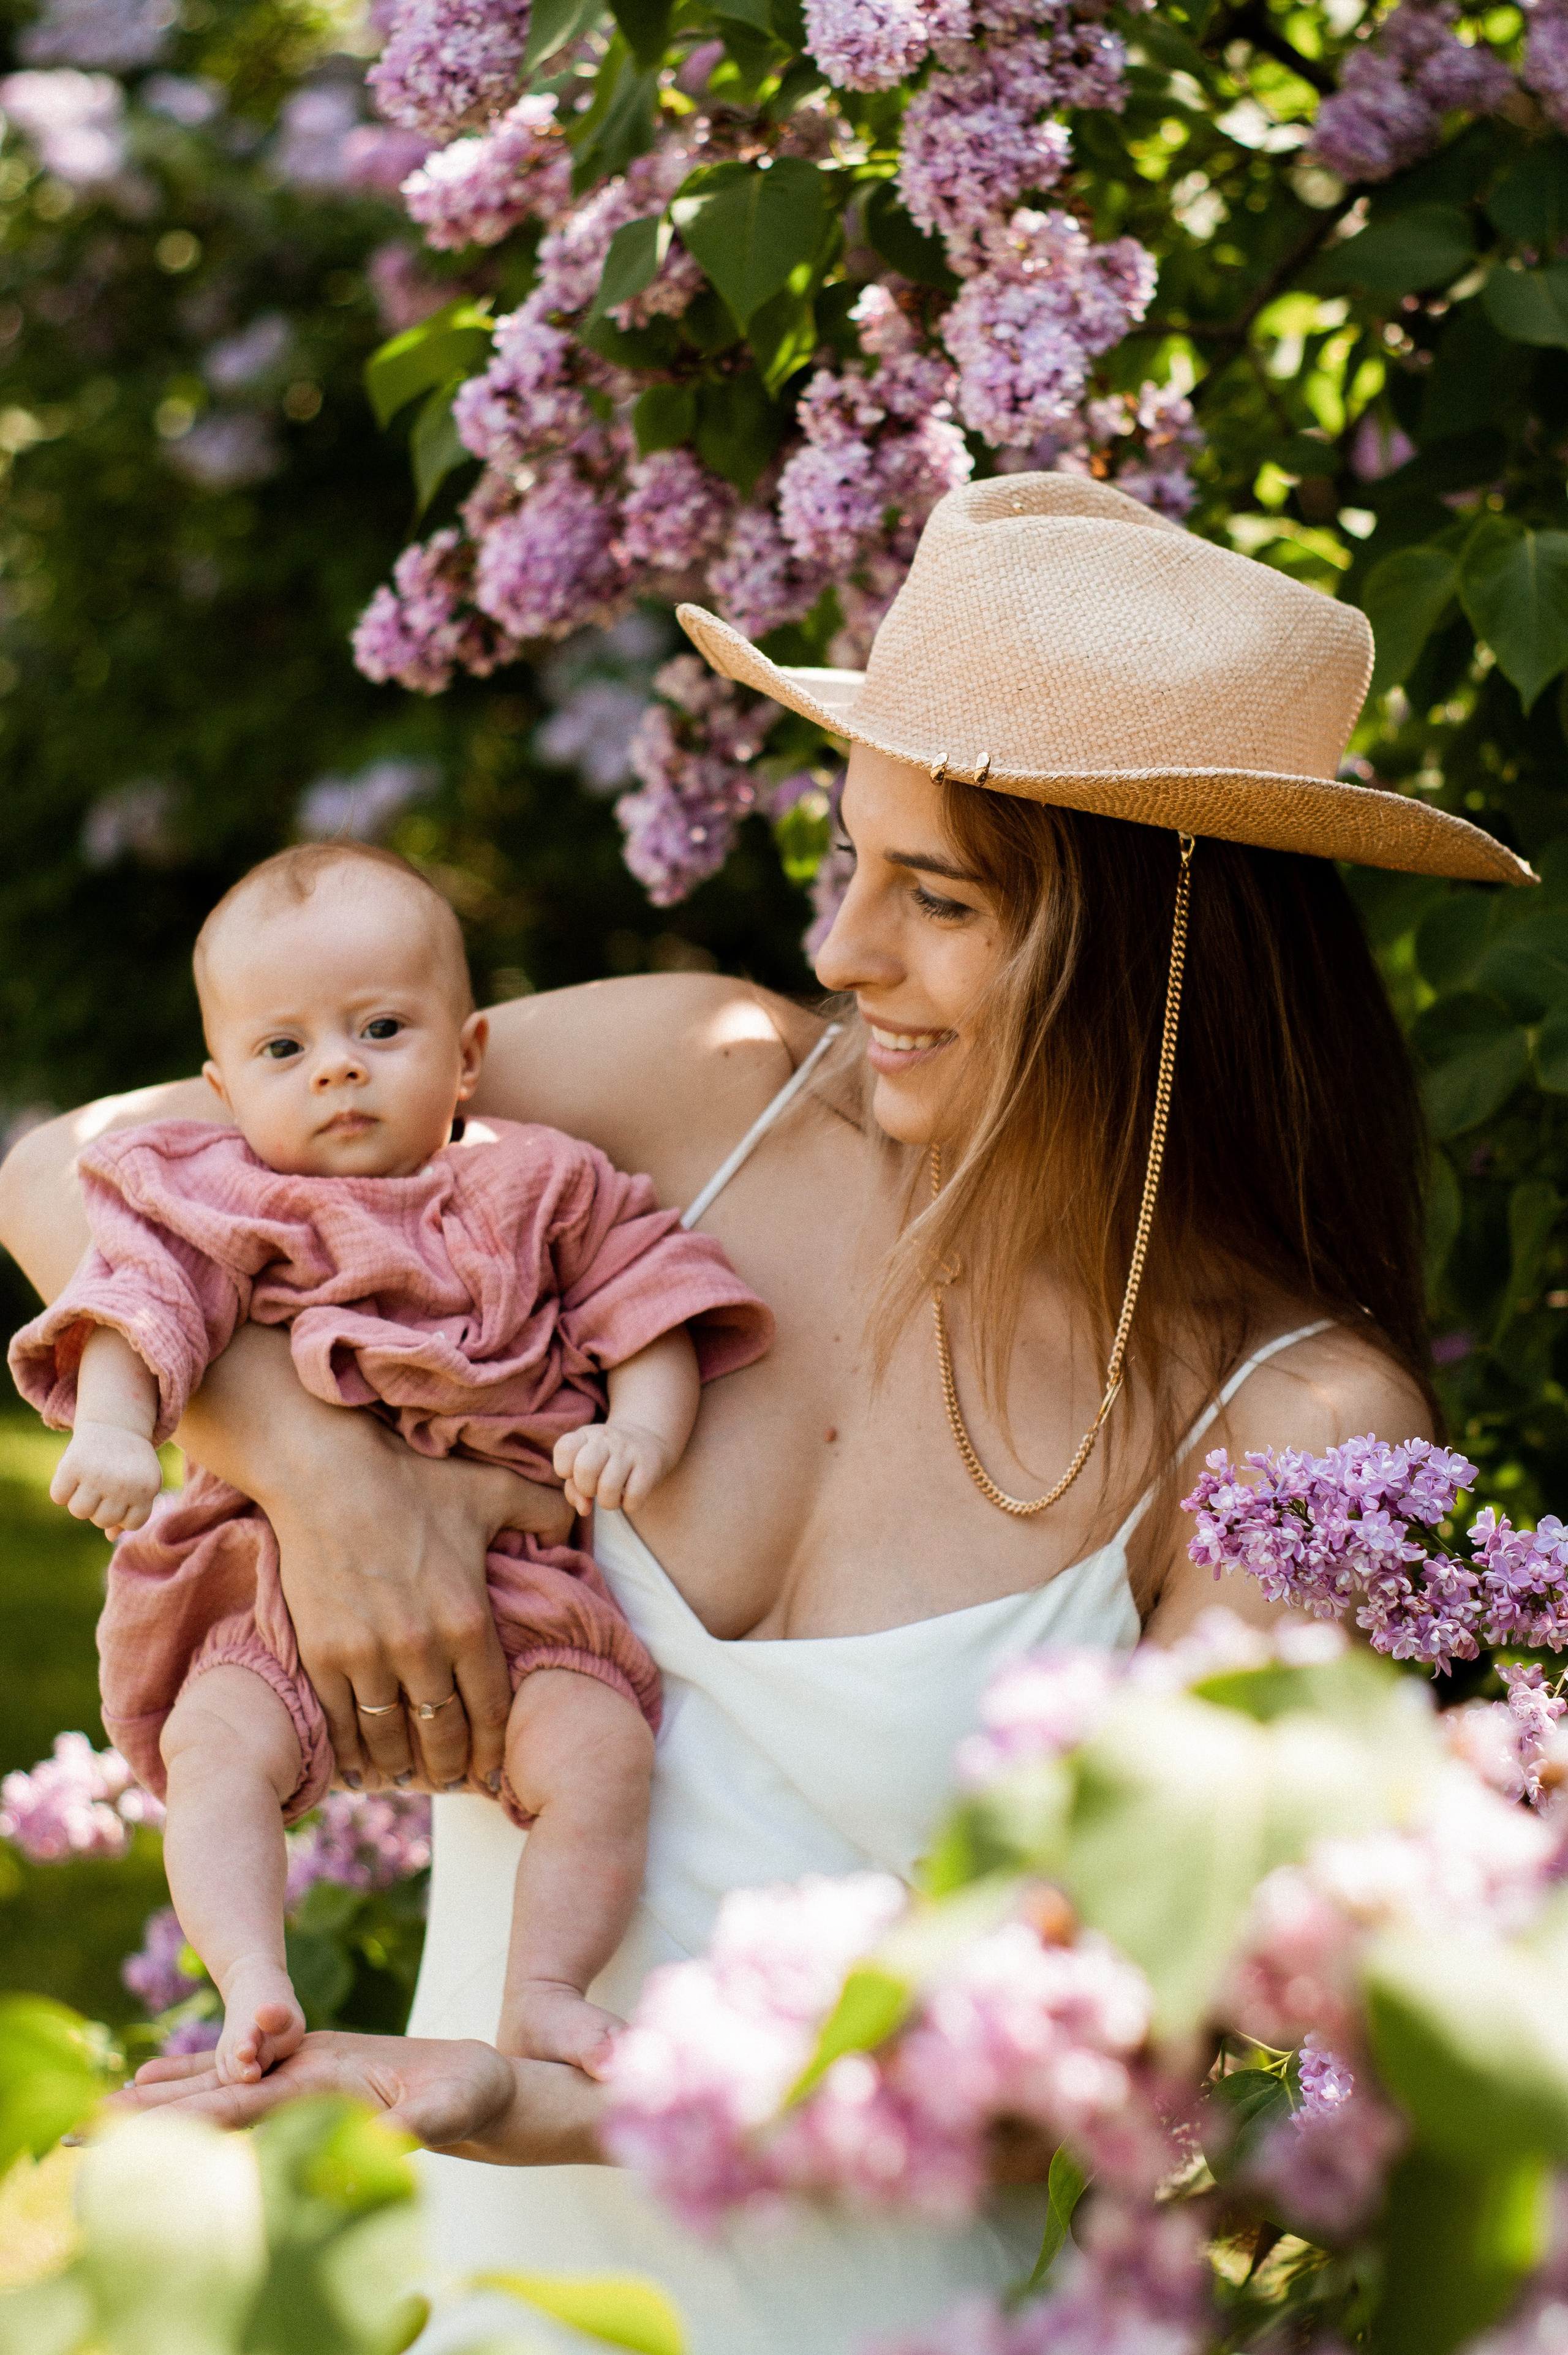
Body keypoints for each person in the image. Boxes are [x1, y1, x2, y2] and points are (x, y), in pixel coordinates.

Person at [0, 475, 1531, 2354]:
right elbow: (76, 1170)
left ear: (1156, 956)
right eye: (850, 858)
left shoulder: (1293, 1425)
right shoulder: (690, 1091)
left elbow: (1108, 2058)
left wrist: (521, 2095)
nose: (843, 950)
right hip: (476, 2300)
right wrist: (327, 1481)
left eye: (937, 897)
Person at [7, 841, 769, 2087]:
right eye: (284, 1049)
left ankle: (543, 1991)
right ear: (221, 1089)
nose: (338, 1067)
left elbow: (653, 1301)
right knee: (215, 1753)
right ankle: (250, 1979)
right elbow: (138, 1304)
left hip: (518, 1589)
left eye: (379, 1029)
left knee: (600, 1755)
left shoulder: (539, 1182)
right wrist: (109, 1430)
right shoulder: (223, 1198)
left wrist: (640, 1426)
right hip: (264, 1581)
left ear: (466, 1054)